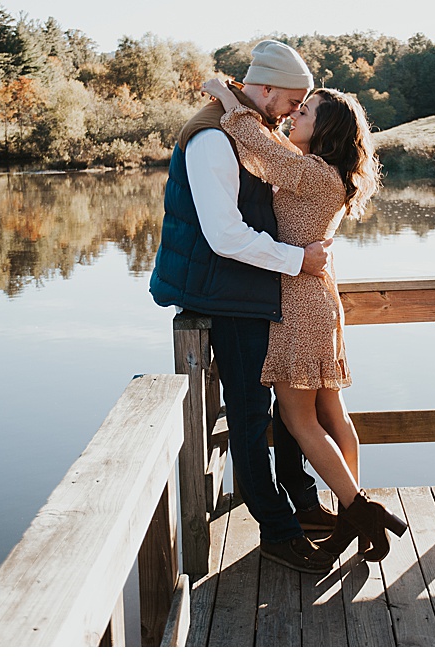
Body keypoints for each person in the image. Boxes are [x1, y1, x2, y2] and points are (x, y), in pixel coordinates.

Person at [199, 75, 409, 561]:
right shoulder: (326, 171)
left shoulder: (312, 173)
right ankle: (352, 506)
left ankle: (358, 508)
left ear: (326, 131)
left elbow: (257, 146)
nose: (293, 116)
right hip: (318, 299)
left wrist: (228, 97)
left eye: (305, 112)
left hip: (298, 303)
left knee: (299, 419)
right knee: (331, 412)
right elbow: (271, 145)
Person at [150, 40, 338, 574]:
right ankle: (279, 532)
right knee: (252, 417)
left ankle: (300, 505)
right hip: (225, 293)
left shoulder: (250, 125)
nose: (296, 112)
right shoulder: (212, 138)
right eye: (293, 100)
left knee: (283, 408)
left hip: (253, 288)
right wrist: (298, 260)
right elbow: (225, 236)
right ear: (269, 89)